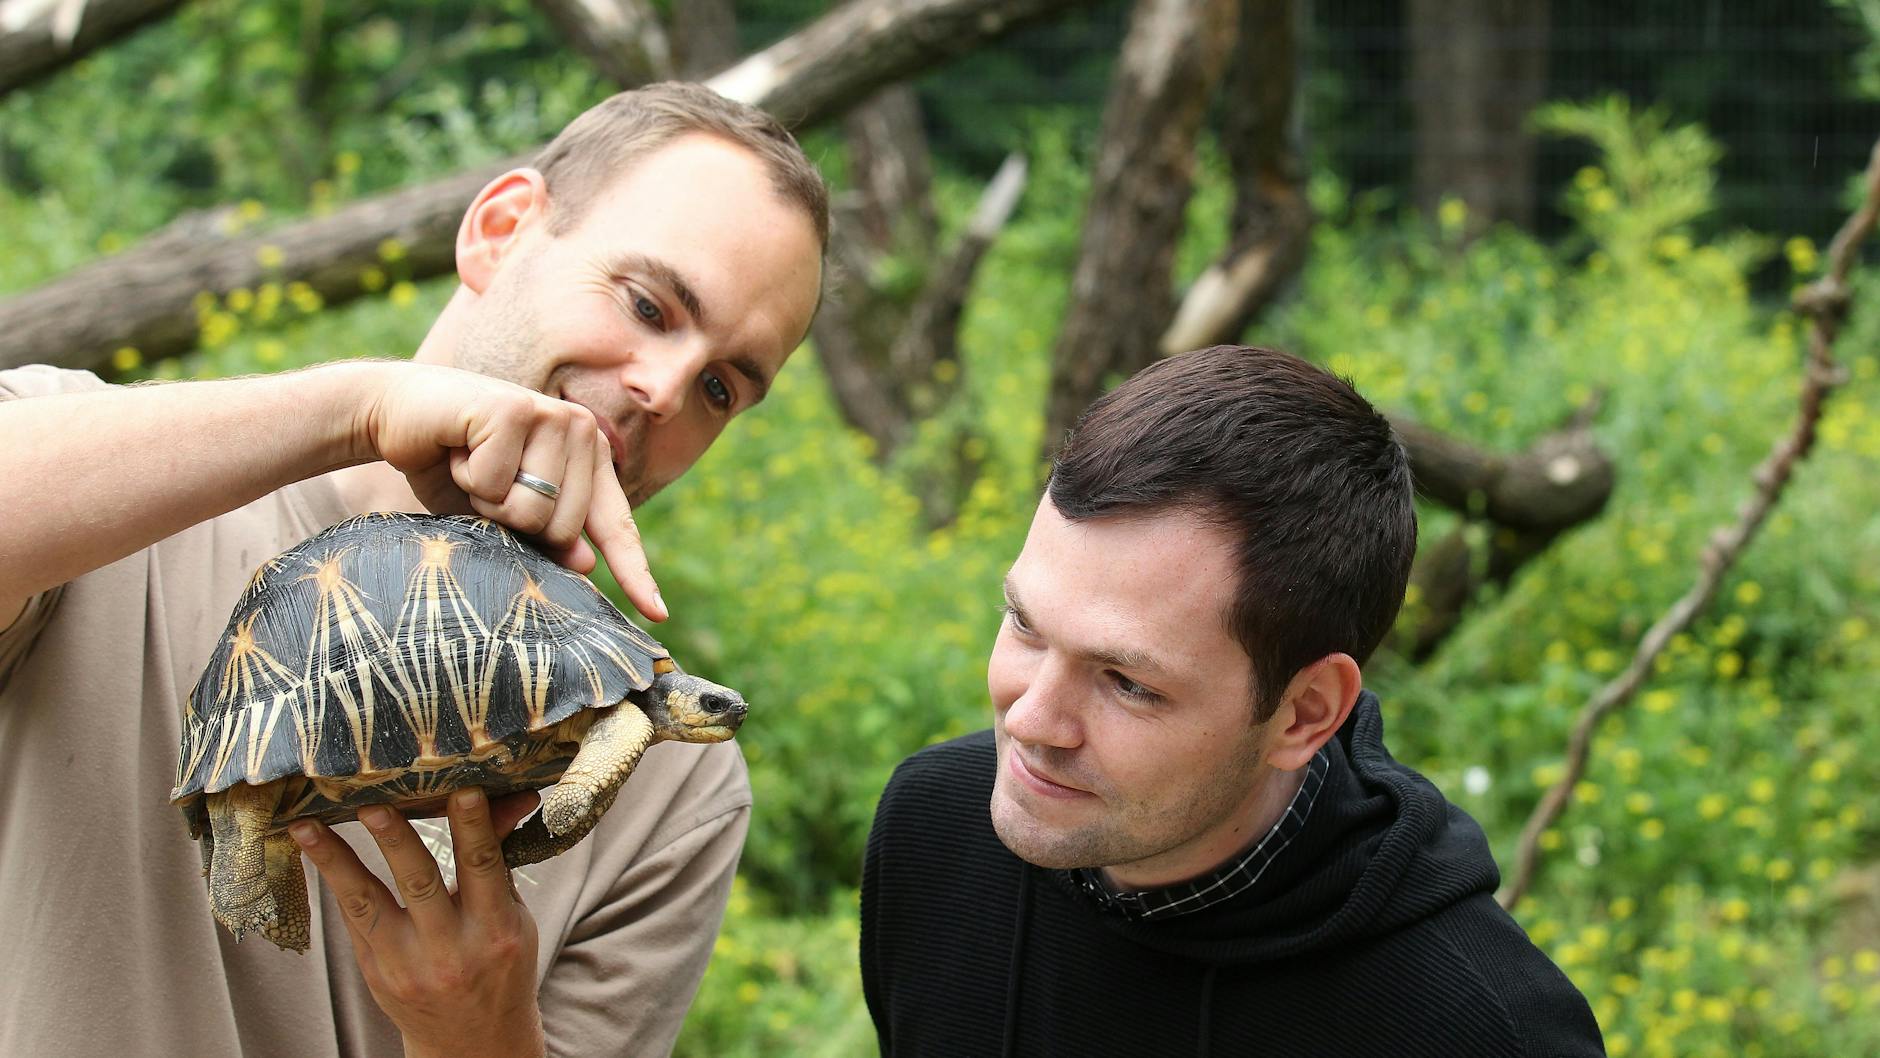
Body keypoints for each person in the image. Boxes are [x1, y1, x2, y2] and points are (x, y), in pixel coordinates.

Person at [0, 82, 826, 1058]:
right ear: (499, 231)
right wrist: (360, 407)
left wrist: (479, 1036)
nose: (664, 388)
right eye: (647, 305)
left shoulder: (676, 788)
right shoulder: (98, 493)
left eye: (720, 387)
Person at [860, 345, 1605, 1057]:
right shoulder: (933, 833)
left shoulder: (1486, 1034)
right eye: (1024, 624)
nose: (1029, 721)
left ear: (1305, 713)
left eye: (1128, 683)